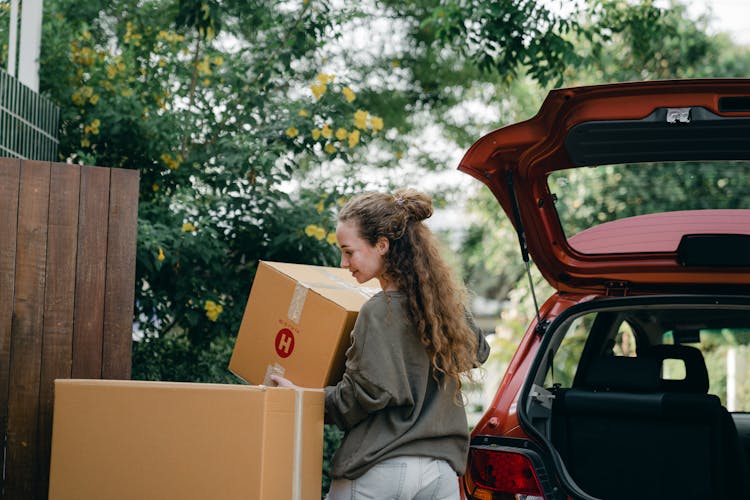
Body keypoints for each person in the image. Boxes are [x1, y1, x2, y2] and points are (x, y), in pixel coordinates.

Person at [271, 187, 490, 500]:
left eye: (349, 251)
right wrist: (452, 305)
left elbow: (369, 392)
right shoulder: (440, 308)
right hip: (440, 475)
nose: (344, 263)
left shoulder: (378, 309)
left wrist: (306, 399)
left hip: (379, 470)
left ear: (382, 245)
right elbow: (478, 352)